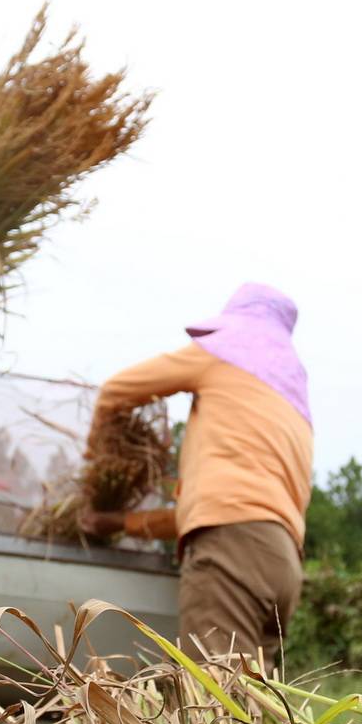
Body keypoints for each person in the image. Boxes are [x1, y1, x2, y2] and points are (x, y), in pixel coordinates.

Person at [79, 283, 314, 665]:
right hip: (283, 563)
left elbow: (114, 392)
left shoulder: (224, 354)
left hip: (234, 550)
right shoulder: (290, 404)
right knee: (254, 703)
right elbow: (216, 512)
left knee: (210, 694)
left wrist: (95, 463)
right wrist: (121, 522)